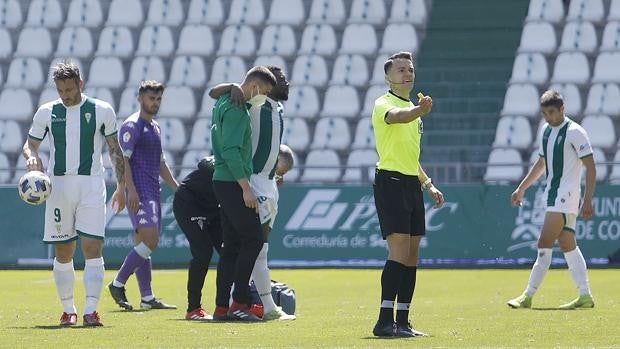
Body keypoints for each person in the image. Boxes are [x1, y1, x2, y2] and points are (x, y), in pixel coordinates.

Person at [22, 61, 125, 327]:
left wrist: (123, 187)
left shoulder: (101, 110)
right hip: (58, 186)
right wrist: (32, 159)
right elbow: (30, 145)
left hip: (92, 184)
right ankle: (69, 310)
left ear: (81, 83)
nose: (65, 95)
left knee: (92, 247)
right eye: (60, 90)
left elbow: (115, 150)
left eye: (69, 89)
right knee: (64, 251)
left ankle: (91, 309)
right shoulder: (47, 112)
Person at [208, 65, 296, 321]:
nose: (281, 82)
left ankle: (226, 306)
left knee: (236, 246)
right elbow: (232, 149)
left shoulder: (264, 105)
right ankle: (251, 304)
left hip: (255, 181)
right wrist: (247, 186)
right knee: (255, 244)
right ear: (259, 85)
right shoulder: (246, 104)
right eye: (274, 80)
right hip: (246, 181)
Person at [371, 51, 445, 337]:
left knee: (412, 255)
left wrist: (428, 184)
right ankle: (383, 321)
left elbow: (411, 158)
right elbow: (398, 117)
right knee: (399, 250)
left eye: (410, 69)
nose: (407, 73)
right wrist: (418, 111)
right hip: (390, 182)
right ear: (388, 77)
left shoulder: (415, 111)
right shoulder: (384, 103)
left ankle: (402, 321)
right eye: (400, 70)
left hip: (410, 185)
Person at [173, 147, 294, 321]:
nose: (278, 179)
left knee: (231, 253)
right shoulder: (244, 164)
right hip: (191, 201)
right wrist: (224, 169)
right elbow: (205, 162)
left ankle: (232, 304)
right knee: (203, 253)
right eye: (277, 173)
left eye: (281, 175)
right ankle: (194, 308)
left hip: (216, 208)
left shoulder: (263, 182)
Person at [507, 90, 596, 310]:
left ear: (562, 109)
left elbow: (591, 168)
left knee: (543, 243)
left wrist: (588, 200)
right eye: (545, 113)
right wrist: (522, 188)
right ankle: (585, 296)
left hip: (566, 196)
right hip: (554, 195)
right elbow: (541, 164)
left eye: (552, 112)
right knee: (567, 245)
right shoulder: (546, 131)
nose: (548, 117)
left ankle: (527, 296)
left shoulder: (575, 132)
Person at [108, 80, 179, 311]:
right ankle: (118, 283)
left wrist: (177, 188)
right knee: (151, 241)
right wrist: (130, 190)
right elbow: (123, 160)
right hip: (139, 192)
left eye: (158, 99)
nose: (155, 103)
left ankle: (147, 298)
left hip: (153, 191)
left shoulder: (156, 127)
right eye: (151, 98)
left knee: (143, 244)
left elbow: (160, 164)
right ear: (140, 98)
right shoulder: (131, 126)